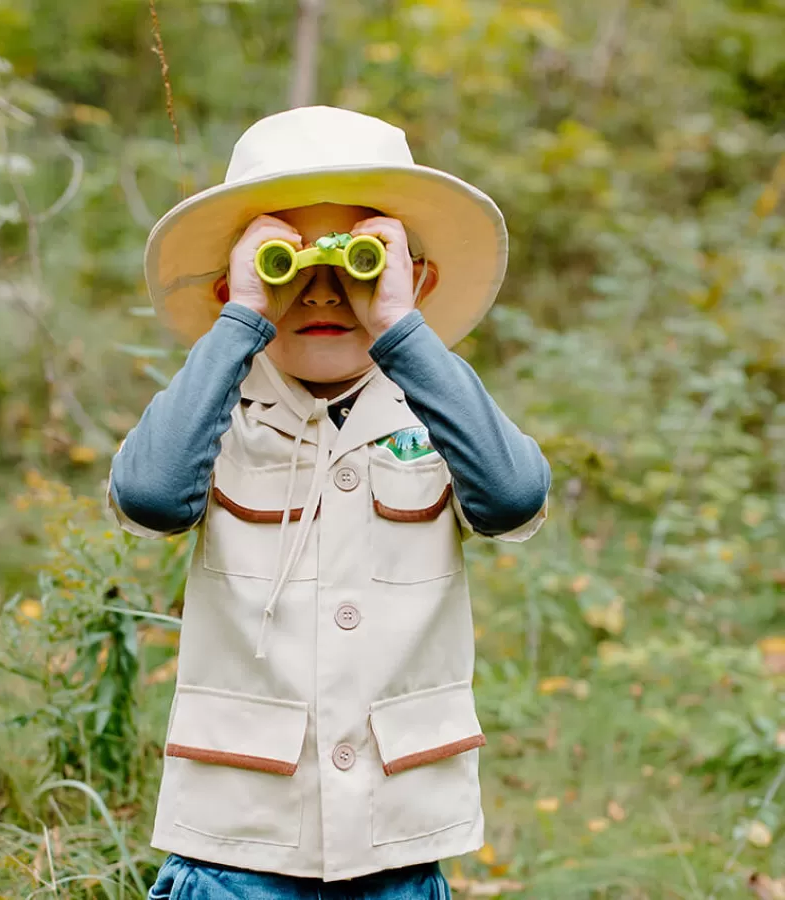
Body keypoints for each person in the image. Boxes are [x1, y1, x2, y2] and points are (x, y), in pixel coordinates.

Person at [108, 105, 551, 900]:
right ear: (231, 290)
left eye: (357, 263)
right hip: (238, 841)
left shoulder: (435, 412)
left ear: (417, 279)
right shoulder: (224, 417)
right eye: (287, 266)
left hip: (396, 840)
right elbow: (150, 495)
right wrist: (243, 318)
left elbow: (513, 498)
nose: (323, 292)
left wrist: (400, 326)